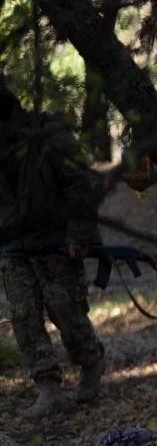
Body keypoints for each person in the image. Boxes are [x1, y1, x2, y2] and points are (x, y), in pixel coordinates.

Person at [0, 89, 108, 419]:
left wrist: (80, 235)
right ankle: (48, 387)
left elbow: (82, 185)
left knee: (67, 312)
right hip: (15, 247)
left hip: (58, 243)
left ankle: (91, 362)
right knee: (23, 316)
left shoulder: (50, 136)